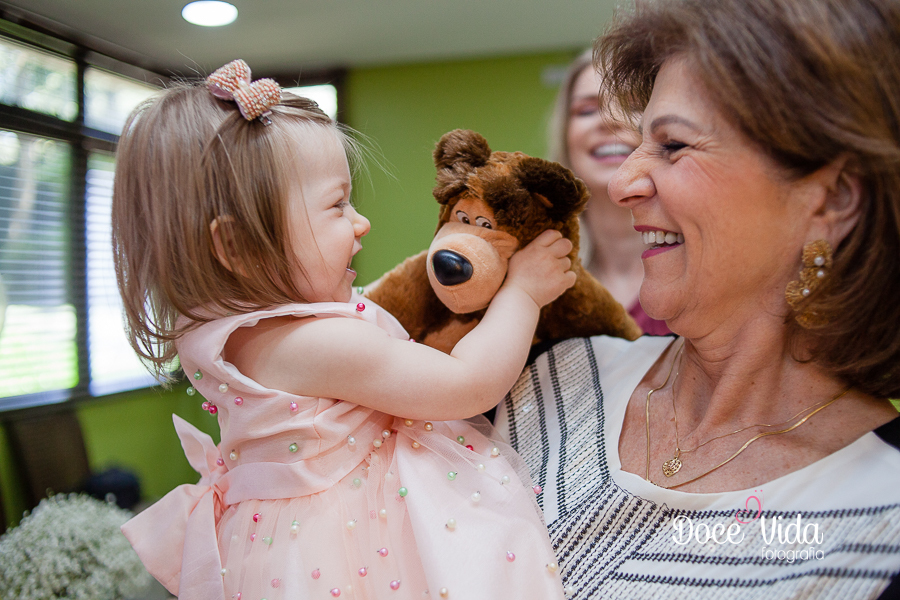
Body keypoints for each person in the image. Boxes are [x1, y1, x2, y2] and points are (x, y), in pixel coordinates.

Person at [112, 60, 574, 600]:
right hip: (352, 552)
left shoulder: (232, 330)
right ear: (236, 245)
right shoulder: (308, 345)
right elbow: (468, 383)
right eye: (337, 205)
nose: (361, 222)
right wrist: (522, 294)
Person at [496, 0, 900, 598]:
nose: (622, 184)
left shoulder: (878, 521)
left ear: (833, 198)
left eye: (674, 145)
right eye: (639, 141)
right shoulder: (547, 375)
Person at [548, 49, 670, 335]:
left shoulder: (706, 268)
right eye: (587, 110)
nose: (609, 120)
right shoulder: (534, 270)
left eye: (633, 105)